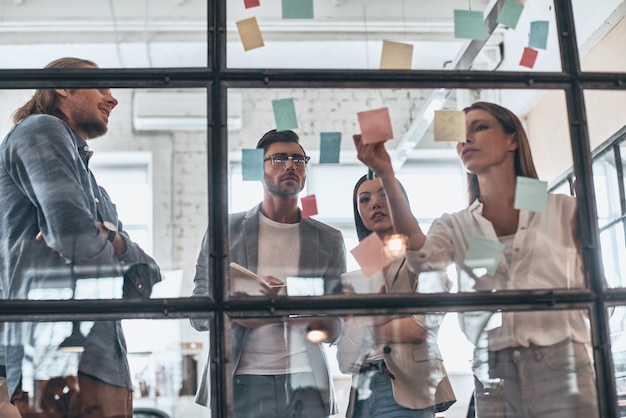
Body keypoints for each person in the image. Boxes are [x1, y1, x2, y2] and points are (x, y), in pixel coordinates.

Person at [353, 101, 599, 417]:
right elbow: (422, 257)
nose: (465, 140)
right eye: (459, 134)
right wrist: (386, 173)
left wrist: (584, 243)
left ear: (512, 139)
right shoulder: (458, 224)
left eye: (479, 127)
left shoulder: (563, 209)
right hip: (492, 370)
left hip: (563, 364)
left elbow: (596, 297)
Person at [0, 57, 162, 417]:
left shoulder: (98, 193)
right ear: (64, 86)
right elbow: (72, 233)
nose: (112, 99)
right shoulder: (41, 129)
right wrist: (109, 247)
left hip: (104, 363)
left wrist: (114, 241)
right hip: (57, 362)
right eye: (102, 87)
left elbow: (144, 281)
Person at [191, 129, 347, 417]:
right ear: (257, 167)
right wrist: (244, 306)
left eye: (299, 160)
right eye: (278, 158)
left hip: (307, 380)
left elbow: (337, 327)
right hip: (241, 379)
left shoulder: (329, 239)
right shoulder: (224, 230)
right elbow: (198, 313)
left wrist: (292, 302)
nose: (291, 165)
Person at [336, 173, 456, 418]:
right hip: (361, 389)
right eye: (365, 199)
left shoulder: (423, 256)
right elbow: (345, 356)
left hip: (408, 385)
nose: (375, 203)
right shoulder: (357, 276)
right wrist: (383, 318)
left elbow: (420, 328)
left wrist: (365, 320)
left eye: (385, 195)